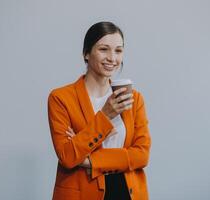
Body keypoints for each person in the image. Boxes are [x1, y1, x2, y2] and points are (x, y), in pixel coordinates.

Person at [47, 21, 151, 200]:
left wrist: (90, 161)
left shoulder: (134, 99)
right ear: (86, 54)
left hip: (127, 191)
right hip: (81, 193)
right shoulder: (60, 98)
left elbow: (142, 156)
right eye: (104, 49)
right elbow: (68, 156)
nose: (112, 58)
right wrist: (106, 115)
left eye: (118, 50)